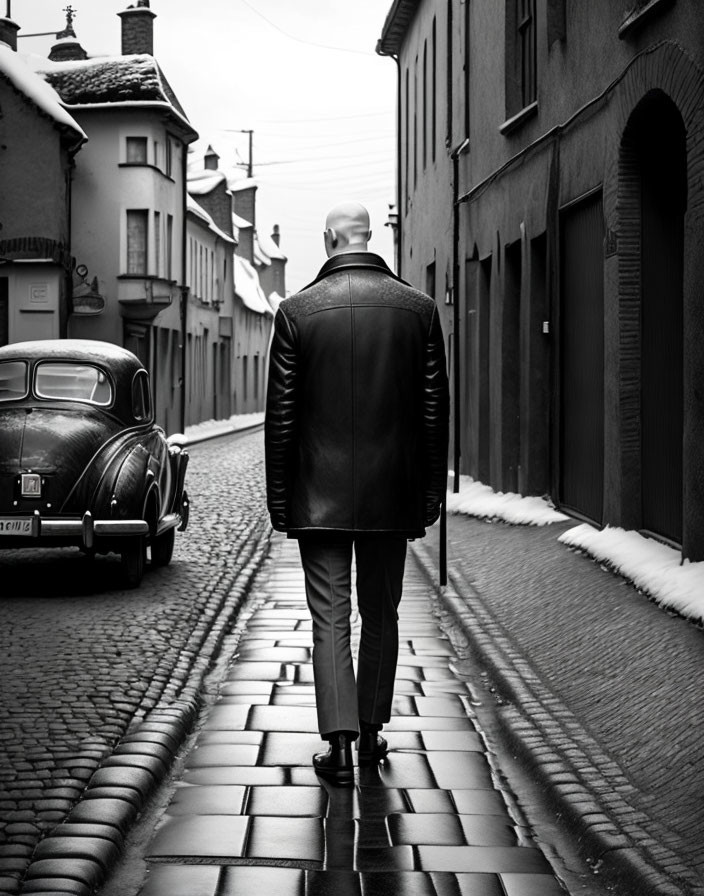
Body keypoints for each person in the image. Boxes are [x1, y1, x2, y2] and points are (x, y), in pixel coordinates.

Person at [265, 201, 449, 786]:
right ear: (370, 239)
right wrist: (429, 492)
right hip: (390, 496)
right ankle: (371, 734)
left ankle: (338, 747)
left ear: (327, 241)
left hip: (317, 496)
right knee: (382, 614)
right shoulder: (417, 310)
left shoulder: (296, 313)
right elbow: (432, 411)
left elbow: (282, 416)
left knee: (330, 619)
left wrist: (280, 494)